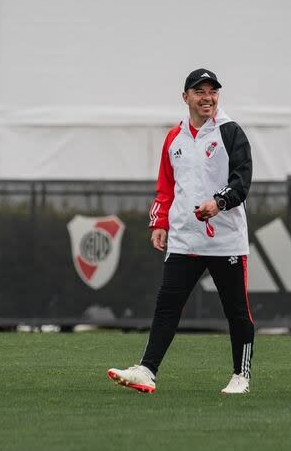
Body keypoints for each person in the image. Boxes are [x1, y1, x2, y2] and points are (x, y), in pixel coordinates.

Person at [108, 68, 255, 394]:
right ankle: (146, 371)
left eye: (212, 91)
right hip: (185, 239)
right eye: (200, 92)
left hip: (225, 240)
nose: (207, 98)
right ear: (185, 97)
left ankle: (241, 376)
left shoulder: (230, 132)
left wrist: (218, 203)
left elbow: (242, 181)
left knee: (236, 312)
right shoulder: (174, 138)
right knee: (167, 307)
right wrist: (160, 224)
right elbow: (166, 188)